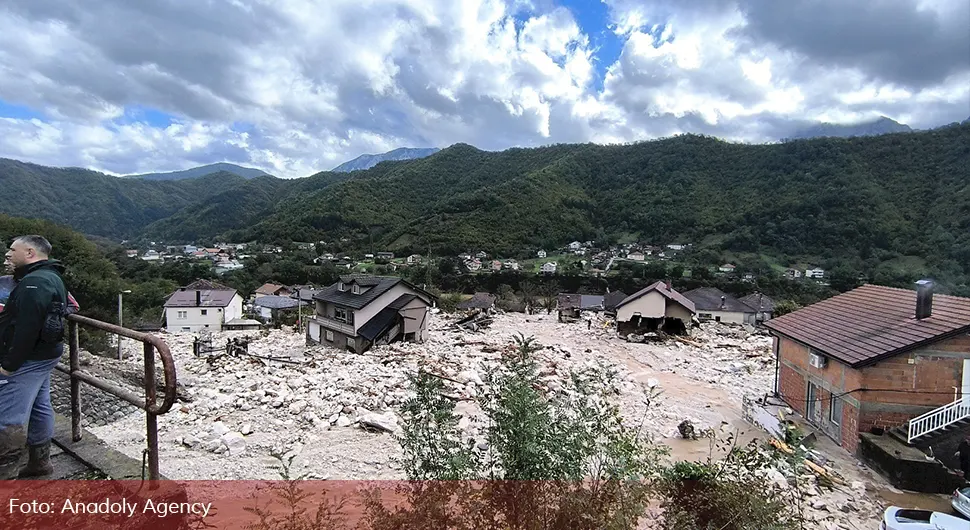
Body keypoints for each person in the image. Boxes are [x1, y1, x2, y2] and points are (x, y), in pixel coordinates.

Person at [0, 235, 69, 479]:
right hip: (45, 355)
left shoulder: (33, 283)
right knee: (40, 406)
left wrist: (9, 365)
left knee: (7, 417)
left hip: (28, 359)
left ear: (30, 253)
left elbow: (26, 329)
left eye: (12, 249)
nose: (8, 254)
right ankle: (39, 463)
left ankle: (5, 476)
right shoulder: (51, 276)